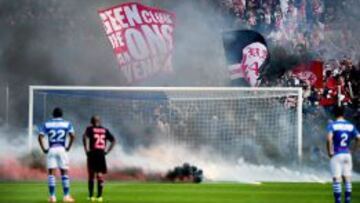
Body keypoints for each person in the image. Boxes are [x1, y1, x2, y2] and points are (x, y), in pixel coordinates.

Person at [38, 107, 75, 203]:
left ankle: (52, 197)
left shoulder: (47, 124)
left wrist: (44, 149)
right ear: (62, 115)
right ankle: (66, 196)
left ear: (52, 114)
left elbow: (40, 136)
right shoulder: (67, 124)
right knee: (64, 173)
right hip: (62, 149)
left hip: (52, 149)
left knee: (51, 174)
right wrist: (68, 147)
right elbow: (72, 136)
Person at [326, 106, 360, 203]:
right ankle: (348, 200)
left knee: (337, 178)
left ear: (334, 114)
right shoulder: (350, 125)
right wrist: (353, 150)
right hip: (347, 154)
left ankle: (338, 201)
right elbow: (358, 138)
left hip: (336, 153)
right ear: (343, 113)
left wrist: (329, 151)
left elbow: (329, 139)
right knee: (347, 178)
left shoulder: (333, 125)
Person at [83, 116, 116, 202]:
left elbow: (84, 137)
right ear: (99, 121)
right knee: (100, 175)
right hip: (101, 153)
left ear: (91, 121)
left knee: (91, 175)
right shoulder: (105, 130)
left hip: (93, 153)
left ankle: (91, 196)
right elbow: (113, 140)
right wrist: (107, 151)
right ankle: (99, 196)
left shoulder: (89, 129)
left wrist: (86, 150)